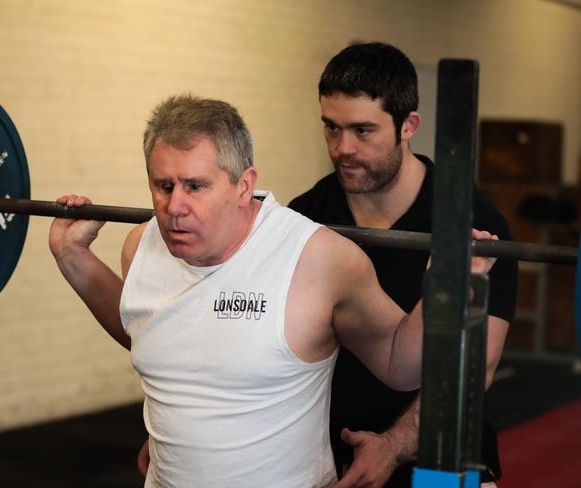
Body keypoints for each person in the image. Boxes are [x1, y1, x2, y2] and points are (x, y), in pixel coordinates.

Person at [49, 94, 497, 488]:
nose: (174, 207)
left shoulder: (316, 259)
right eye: (163, 186)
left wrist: (448, 287)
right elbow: (144, 329)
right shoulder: (141, 246)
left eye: (195, 186)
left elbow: (402, 366)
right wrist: (74, 256)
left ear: (244, 185)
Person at [288, 42, 518, 487]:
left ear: (408, 125)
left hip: (437, 445)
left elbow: (475, 369)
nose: (343, 148)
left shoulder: (477, 225)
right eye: (331, 128)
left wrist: (392, 446)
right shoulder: (304, 218)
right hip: (326, 447)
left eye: (362, 131)